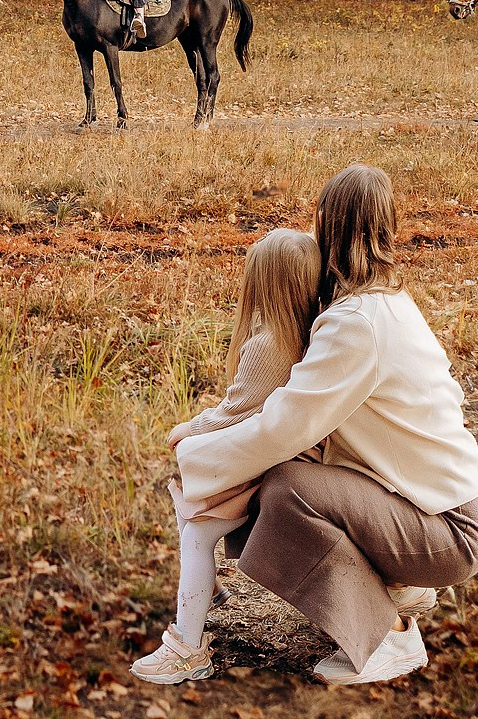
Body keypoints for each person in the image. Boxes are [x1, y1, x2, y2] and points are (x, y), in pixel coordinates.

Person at [173, 165, 478, 686]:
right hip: (437, 508)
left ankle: (389, 635)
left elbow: (284, 427)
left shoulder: (355, 325)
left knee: (286, 487)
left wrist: (196, 455)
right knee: (289, 479)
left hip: (448, 532)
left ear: (327, 225)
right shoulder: (388, 302)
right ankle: (394, 593)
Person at [132, 229, 324, 685]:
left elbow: (237, 410)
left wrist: (191, 428)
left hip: (269, 465)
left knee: (198, 532)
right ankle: (208, 588)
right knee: (189, 499)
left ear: (262, 282)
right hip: (289, 455)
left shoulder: (268, 345)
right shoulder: (312, 334)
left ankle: (187, 649)